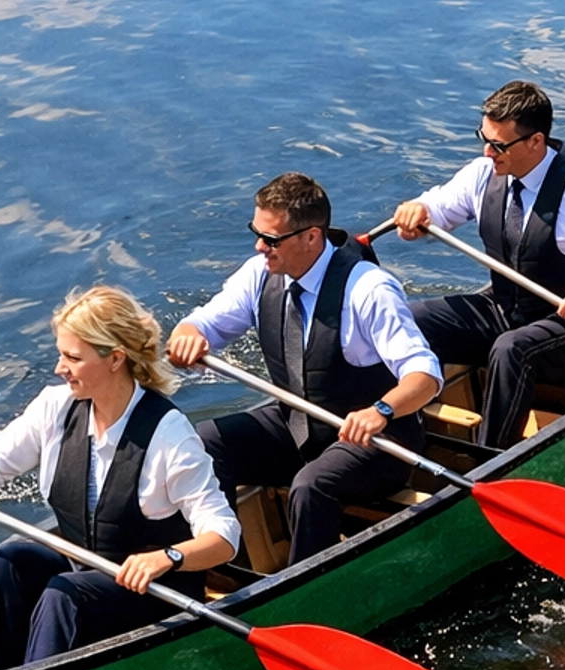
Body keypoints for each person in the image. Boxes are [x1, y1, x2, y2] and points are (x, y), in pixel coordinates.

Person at [0, 286, 239, 670]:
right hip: (85, 574)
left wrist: (168, 557)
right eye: (62, 354)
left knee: (63, 595)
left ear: (115, 359)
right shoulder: (55, 407)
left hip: (155, 595)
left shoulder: (168, 434)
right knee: (10, 562)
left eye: (72, 358)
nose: (60, 368)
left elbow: (225, 538)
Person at [165, 172, 442, 565]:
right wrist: (188, 334)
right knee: (207, 441)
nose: (261, 247)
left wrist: (380, 411)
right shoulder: (260, 274)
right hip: (300, 429)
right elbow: (204, 323)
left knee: (311, 486)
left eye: (272, 239)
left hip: (380, 446)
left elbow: (425, 376)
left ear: (312, 237)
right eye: (257, 233)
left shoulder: (368, 289)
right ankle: (224, 568)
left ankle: (299, 593)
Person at [393, 82, 565, 452]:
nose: (487, 151)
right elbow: (436, 207)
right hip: (505, 310)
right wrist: (416, 212)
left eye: (498, 145)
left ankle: (491, 463)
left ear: (536, 141)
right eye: (483, 139)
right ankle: (402, 439)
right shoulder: (484, 173)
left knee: (510, 350)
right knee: (407, 320)